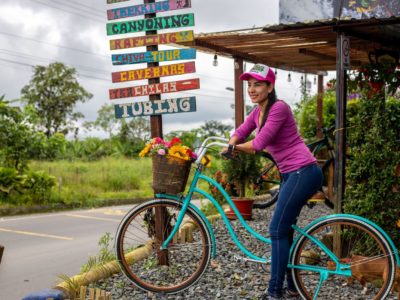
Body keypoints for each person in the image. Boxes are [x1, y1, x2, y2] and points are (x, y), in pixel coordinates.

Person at [224, 63, 323, 299]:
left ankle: (274, 292)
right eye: (249, 85)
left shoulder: (279, 108)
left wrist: (234, 148)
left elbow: (258, 143)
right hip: (292, 174)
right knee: (285, 229)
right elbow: (242, 130)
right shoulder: (258, 111)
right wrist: (232, 141)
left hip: (303, 171)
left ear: (270, 86)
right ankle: (292, 286)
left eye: (257, 84)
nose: (252, 89)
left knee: (276, 229)